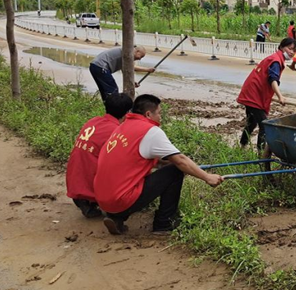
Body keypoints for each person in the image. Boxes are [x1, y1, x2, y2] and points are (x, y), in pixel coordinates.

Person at [94, 94, 224, 235]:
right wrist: (207, 177)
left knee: (168, 166)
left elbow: (136, 157)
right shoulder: (151, 132)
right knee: (175, 171)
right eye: (159, 113)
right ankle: (163, 224)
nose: (160, 118)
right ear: (148, 114)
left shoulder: (123, 126)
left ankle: (116, 217)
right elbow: (180, 160)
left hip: (101, 198)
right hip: (120, 199)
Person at [66, 93, 134, 219]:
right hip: (91, 186)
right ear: (128, 112)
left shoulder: (93, 121)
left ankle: (86, 200)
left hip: (74, 181)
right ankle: (96, 201)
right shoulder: (116, 131)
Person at [237, 38, 296, 151]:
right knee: (264, 125)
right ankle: (261, 153)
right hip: (254, 94)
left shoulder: (275, 58)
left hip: (251, 91)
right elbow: (273, 79)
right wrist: (280, 96)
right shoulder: (276, 61)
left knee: (251, 122)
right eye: (290, 49)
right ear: (282, 47)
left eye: (294, 50)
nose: (292, 52)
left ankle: (242, 146)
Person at [89, 45, 154, 101]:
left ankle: (109, 108)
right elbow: (131, 67)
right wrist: (148, 69)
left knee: (105, 91)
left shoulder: (126, 53)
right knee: (113, 90)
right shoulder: (128, 52)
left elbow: (126, 70)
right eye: (141, 56)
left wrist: (132, 82)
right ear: (137, 51)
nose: (140, 59)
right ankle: (114, 109)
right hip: (101, 67)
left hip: (95, 66)